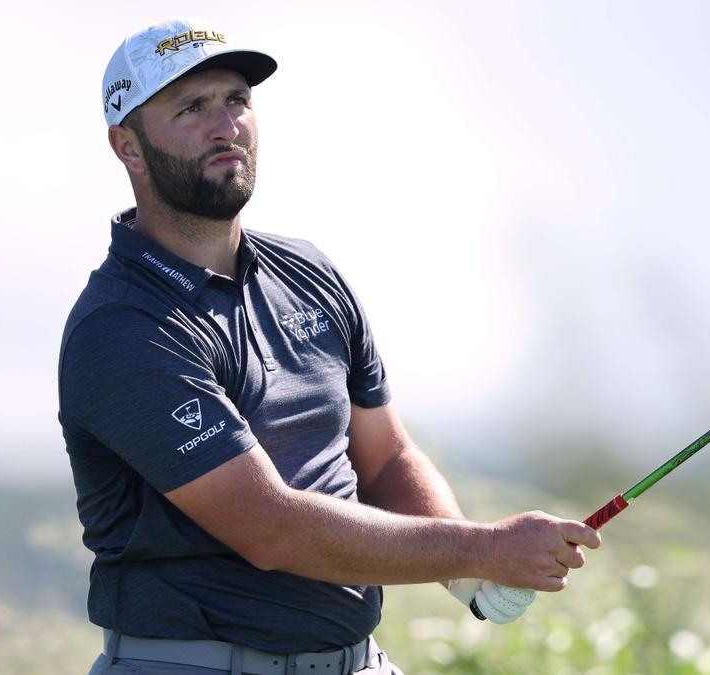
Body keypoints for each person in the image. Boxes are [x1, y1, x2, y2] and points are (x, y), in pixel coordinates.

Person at [59, 18, 601, 675]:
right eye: (192, 108)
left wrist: (468, 576)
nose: (225, 125)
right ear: (129, 147)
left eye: (237, 100)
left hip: (353, 661)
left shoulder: (309, 271)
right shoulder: (123, 326)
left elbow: (385, 456)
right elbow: (270, 528)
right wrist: (480, 547)